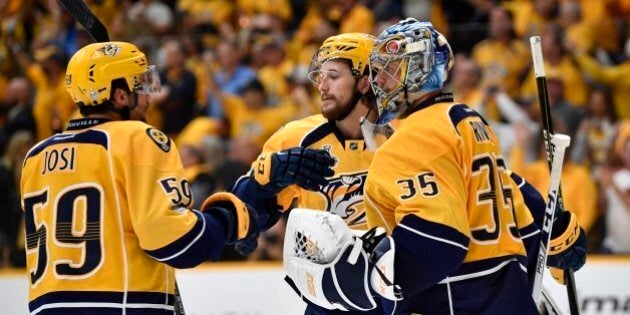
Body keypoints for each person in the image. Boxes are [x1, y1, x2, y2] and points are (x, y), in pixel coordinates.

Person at [282, 19, 586, 314]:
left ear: (417, 69)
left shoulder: (414, 136)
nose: (379, 82)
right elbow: (507, 189)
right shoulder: (465, 119)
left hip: (458, 295)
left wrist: (371, 283)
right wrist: (554, 233)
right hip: (507, 286)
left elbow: (441, 240)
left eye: (388, 70)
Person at [20, 41, 268, 314]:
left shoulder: (36, 155)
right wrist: (229, 221)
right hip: (121, 306)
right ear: (121, 97)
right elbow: (175, 241)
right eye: (141, 85)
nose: (149, 97)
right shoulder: (137, 137)